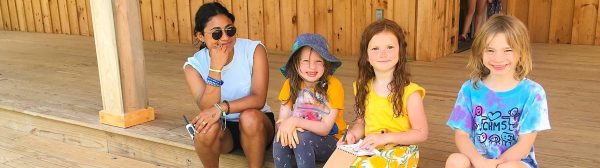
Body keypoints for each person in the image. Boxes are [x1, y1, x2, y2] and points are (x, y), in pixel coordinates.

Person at [445, 15, 551, 168]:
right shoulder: (470, 89)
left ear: (521, 52)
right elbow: (461, 136)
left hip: (515, 162)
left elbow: (524, 145)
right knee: (456, 160)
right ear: (480, 52)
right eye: (490, 50)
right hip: (479, 161)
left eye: (507, 50)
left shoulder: (533, 93)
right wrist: (479, 161)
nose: (498, 58)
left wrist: (495, 165)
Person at [182, 2, 275, 168]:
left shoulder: (253, 50)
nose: (225, 37)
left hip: (258, 124)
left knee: (249, 118)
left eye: (230, 30)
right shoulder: (193, 66)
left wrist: (222, 108)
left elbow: (258, 99)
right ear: (201, 36)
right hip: (224, 129)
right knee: (204, 130)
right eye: (216, 34)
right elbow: (206, 107)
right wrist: (215, 68)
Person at [338, 19, 428, 167]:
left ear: (400, 51)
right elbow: (361, 122)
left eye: (390, 47)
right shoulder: (362, 87)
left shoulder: (410, 93)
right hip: (369, 148)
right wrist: (352, 135)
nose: (383, 53)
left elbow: (421, 133)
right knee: (338, 164)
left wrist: (386, 138)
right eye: (375, 49)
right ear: (366, 56)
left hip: (401, 150)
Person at [272, 34, 346, 168]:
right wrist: (284, 126)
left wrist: (295, 122)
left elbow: (324, 128)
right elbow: (282, 120)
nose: (312, 67)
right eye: (305, 61)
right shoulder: (290, 84)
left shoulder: (334, 86)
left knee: (302, 137)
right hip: (299, 138)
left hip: (331, 141)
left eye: (318, 61)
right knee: (279, 137)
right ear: (295, 63)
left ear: (326, 63)